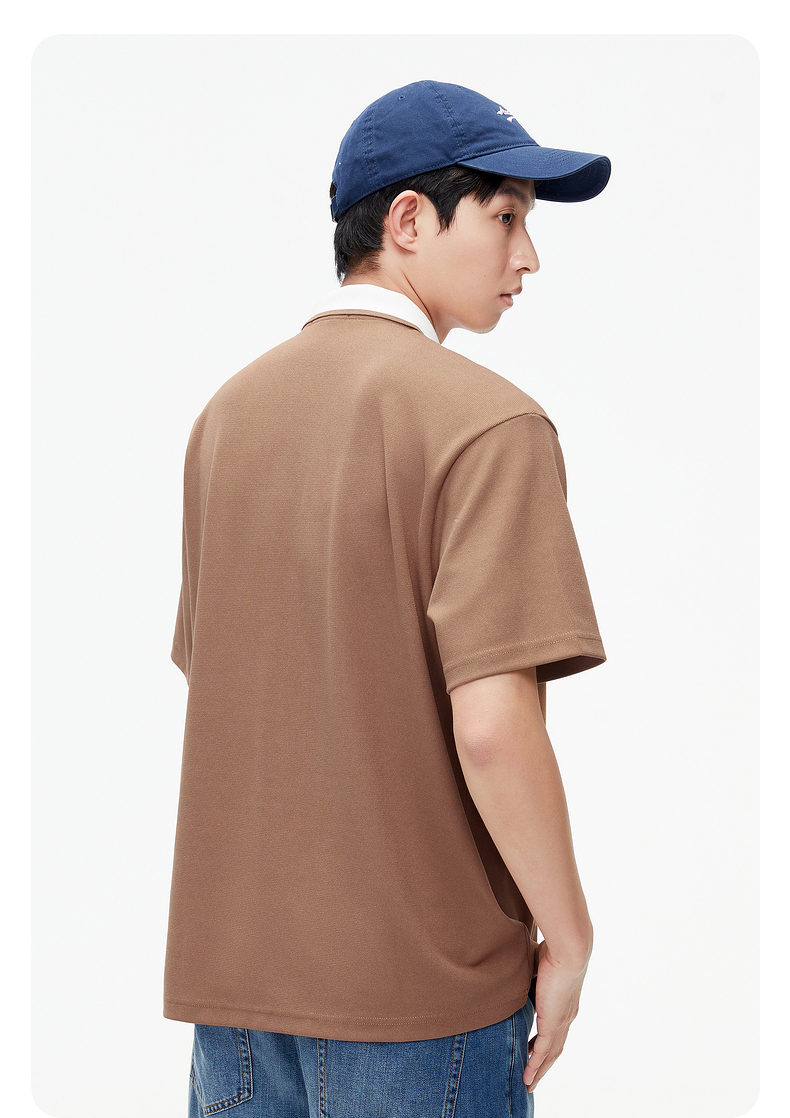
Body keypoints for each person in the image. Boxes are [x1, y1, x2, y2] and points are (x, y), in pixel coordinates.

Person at [164, 79, 611, 1117]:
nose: (528, 257)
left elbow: (227, 680)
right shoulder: (488, 424)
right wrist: (571, 933)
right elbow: (493, 729)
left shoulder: (226, 416)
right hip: (420, 1003)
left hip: (236, 999)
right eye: (505, 217)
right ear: (408, 220)